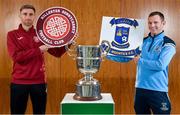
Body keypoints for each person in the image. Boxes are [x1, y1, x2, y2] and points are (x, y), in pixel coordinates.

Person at [7, 4, 67, 114]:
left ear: (34, 16)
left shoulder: (42, 35)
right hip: (19, 82)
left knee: (40, 113)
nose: (28, 17)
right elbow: (16, 57)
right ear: (20, 15)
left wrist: (68, 40)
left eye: (31, 14)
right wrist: (38, 50)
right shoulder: (12, 35)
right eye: (25, 14)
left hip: (39, 82)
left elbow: (57, 53)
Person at [133, 11, 176, 114]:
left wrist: (140, 61)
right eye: (150, 23)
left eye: (155, 22)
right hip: (140, 89)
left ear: (163, 23)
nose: (152, 25)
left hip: (158, 91)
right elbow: (127, 56)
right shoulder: (141, 41)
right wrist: (108, 53)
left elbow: (160, 65)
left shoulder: (168, 43)